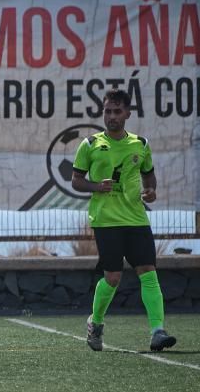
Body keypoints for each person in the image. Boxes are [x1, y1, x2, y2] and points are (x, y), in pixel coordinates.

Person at [72, 89, 177, 352]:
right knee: (113, 277)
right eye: (108, 111)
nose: (112, 116)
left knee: (148, 272)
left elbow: (149, 176)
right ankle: (95, 322)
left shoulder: (140, 144)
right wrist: (97, 187)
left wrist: (151, 191)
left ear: (128, 113)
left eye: (117, 111)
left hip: (136, 219)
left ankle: (157, 331)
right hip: (106, 221)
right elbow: (76, 180)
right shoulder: (90, 145)